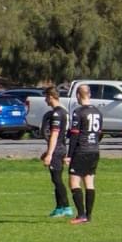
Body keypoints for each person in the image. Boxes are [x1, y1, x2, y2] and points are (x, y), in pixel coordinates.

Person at [67, 83, 105, 223]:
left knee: (74, 182)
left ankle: (81, 215)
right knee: (89, 182)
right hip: (94, 150)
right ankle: (88, 216)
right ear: (89, 94)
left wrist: (69, 155)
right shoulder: (98, 112)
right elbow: (100, 133)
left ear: (78, 95)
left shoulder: (78, 112)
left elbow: (75, 135)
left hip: (81, 150)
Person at [40, 86, 72, 219]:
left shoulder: (56, 114)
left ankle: (66, 207)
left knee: (57, 179)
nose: (45, 100)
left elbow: (54, 135)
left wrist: (50, 154)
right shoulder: (63, 111)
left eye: (46, 97)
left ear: (51, 97)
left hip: (57, 149)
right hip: (61, 148)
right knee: (55, 179)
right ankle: (59, 207)